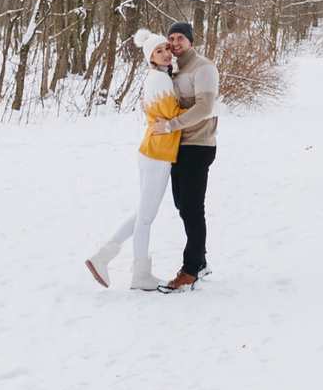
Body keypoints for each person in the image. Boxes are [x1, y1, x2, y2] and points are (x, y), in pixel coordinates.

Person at [84, 35, 187, 292]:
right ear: (150, 57)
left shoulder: (157, 77)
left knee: (142, 213)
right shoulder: (161, 79)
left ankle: (102, 257)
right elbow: (173, 115)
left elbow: (155, 110)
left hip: (150, 151)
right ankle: (140, 273)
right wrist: (208, 109)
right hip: (158, 155)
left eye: (166, 48)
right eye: (158, 51)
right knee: (146, 218)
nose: (166, 53)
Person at [156, 21, 221, 291]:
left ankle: (191, 269)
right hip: (179, 146)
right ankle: (200, 261)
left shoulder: (203, 67)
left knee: (193, 209)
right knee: (182, 205)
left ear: (190, 40)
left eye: (180, 38)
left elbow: (204, 107)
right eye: (171, 38)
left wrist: (170, 125)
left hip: (199, 145)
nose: (175, 43)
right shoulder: (175, 70)